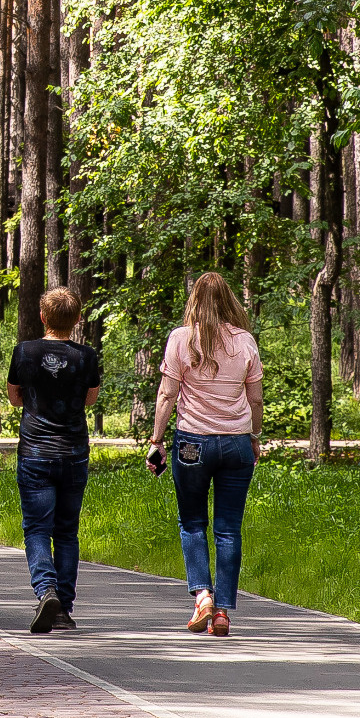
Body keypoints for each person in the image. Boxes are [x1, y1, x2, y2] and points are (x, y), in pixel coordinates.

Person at [149, 270, 263, 637]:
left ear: (194, 300)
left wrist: (156, 441)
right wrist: (255, 436)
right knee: (229, 529)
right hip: (235, 442)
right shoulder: (245, 341)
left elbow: (167, 395)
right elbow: (256, 398)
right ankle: (223, 613)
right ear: (229, 300)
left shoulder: (181, 339)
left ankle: (202, 596)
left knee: (192, 522)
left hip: (192, 443)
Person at [6, 284, 103, 634]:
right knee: (66, 531)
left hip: (35, 453)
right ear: (78, 319)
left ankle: (46, 590)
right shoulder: (86, 356)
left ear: (43, 316)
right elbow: (90, 399)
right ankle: (63, 608)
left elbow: (15, 397)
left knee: (36, 528)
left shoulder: (24, 351)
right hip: (74, 453)